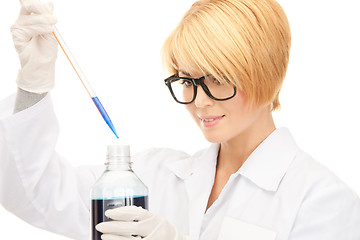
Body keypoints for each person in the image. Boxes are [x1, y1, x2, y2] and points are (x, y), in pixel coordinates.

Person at [1, 0, 359, 239]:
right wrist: (33, 83)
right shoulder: (153, 175)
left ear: (266, 73)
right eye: (187, 80)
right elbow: (34, 192)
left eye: (218, 78)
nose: (199, 101)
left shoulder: (321, 199)